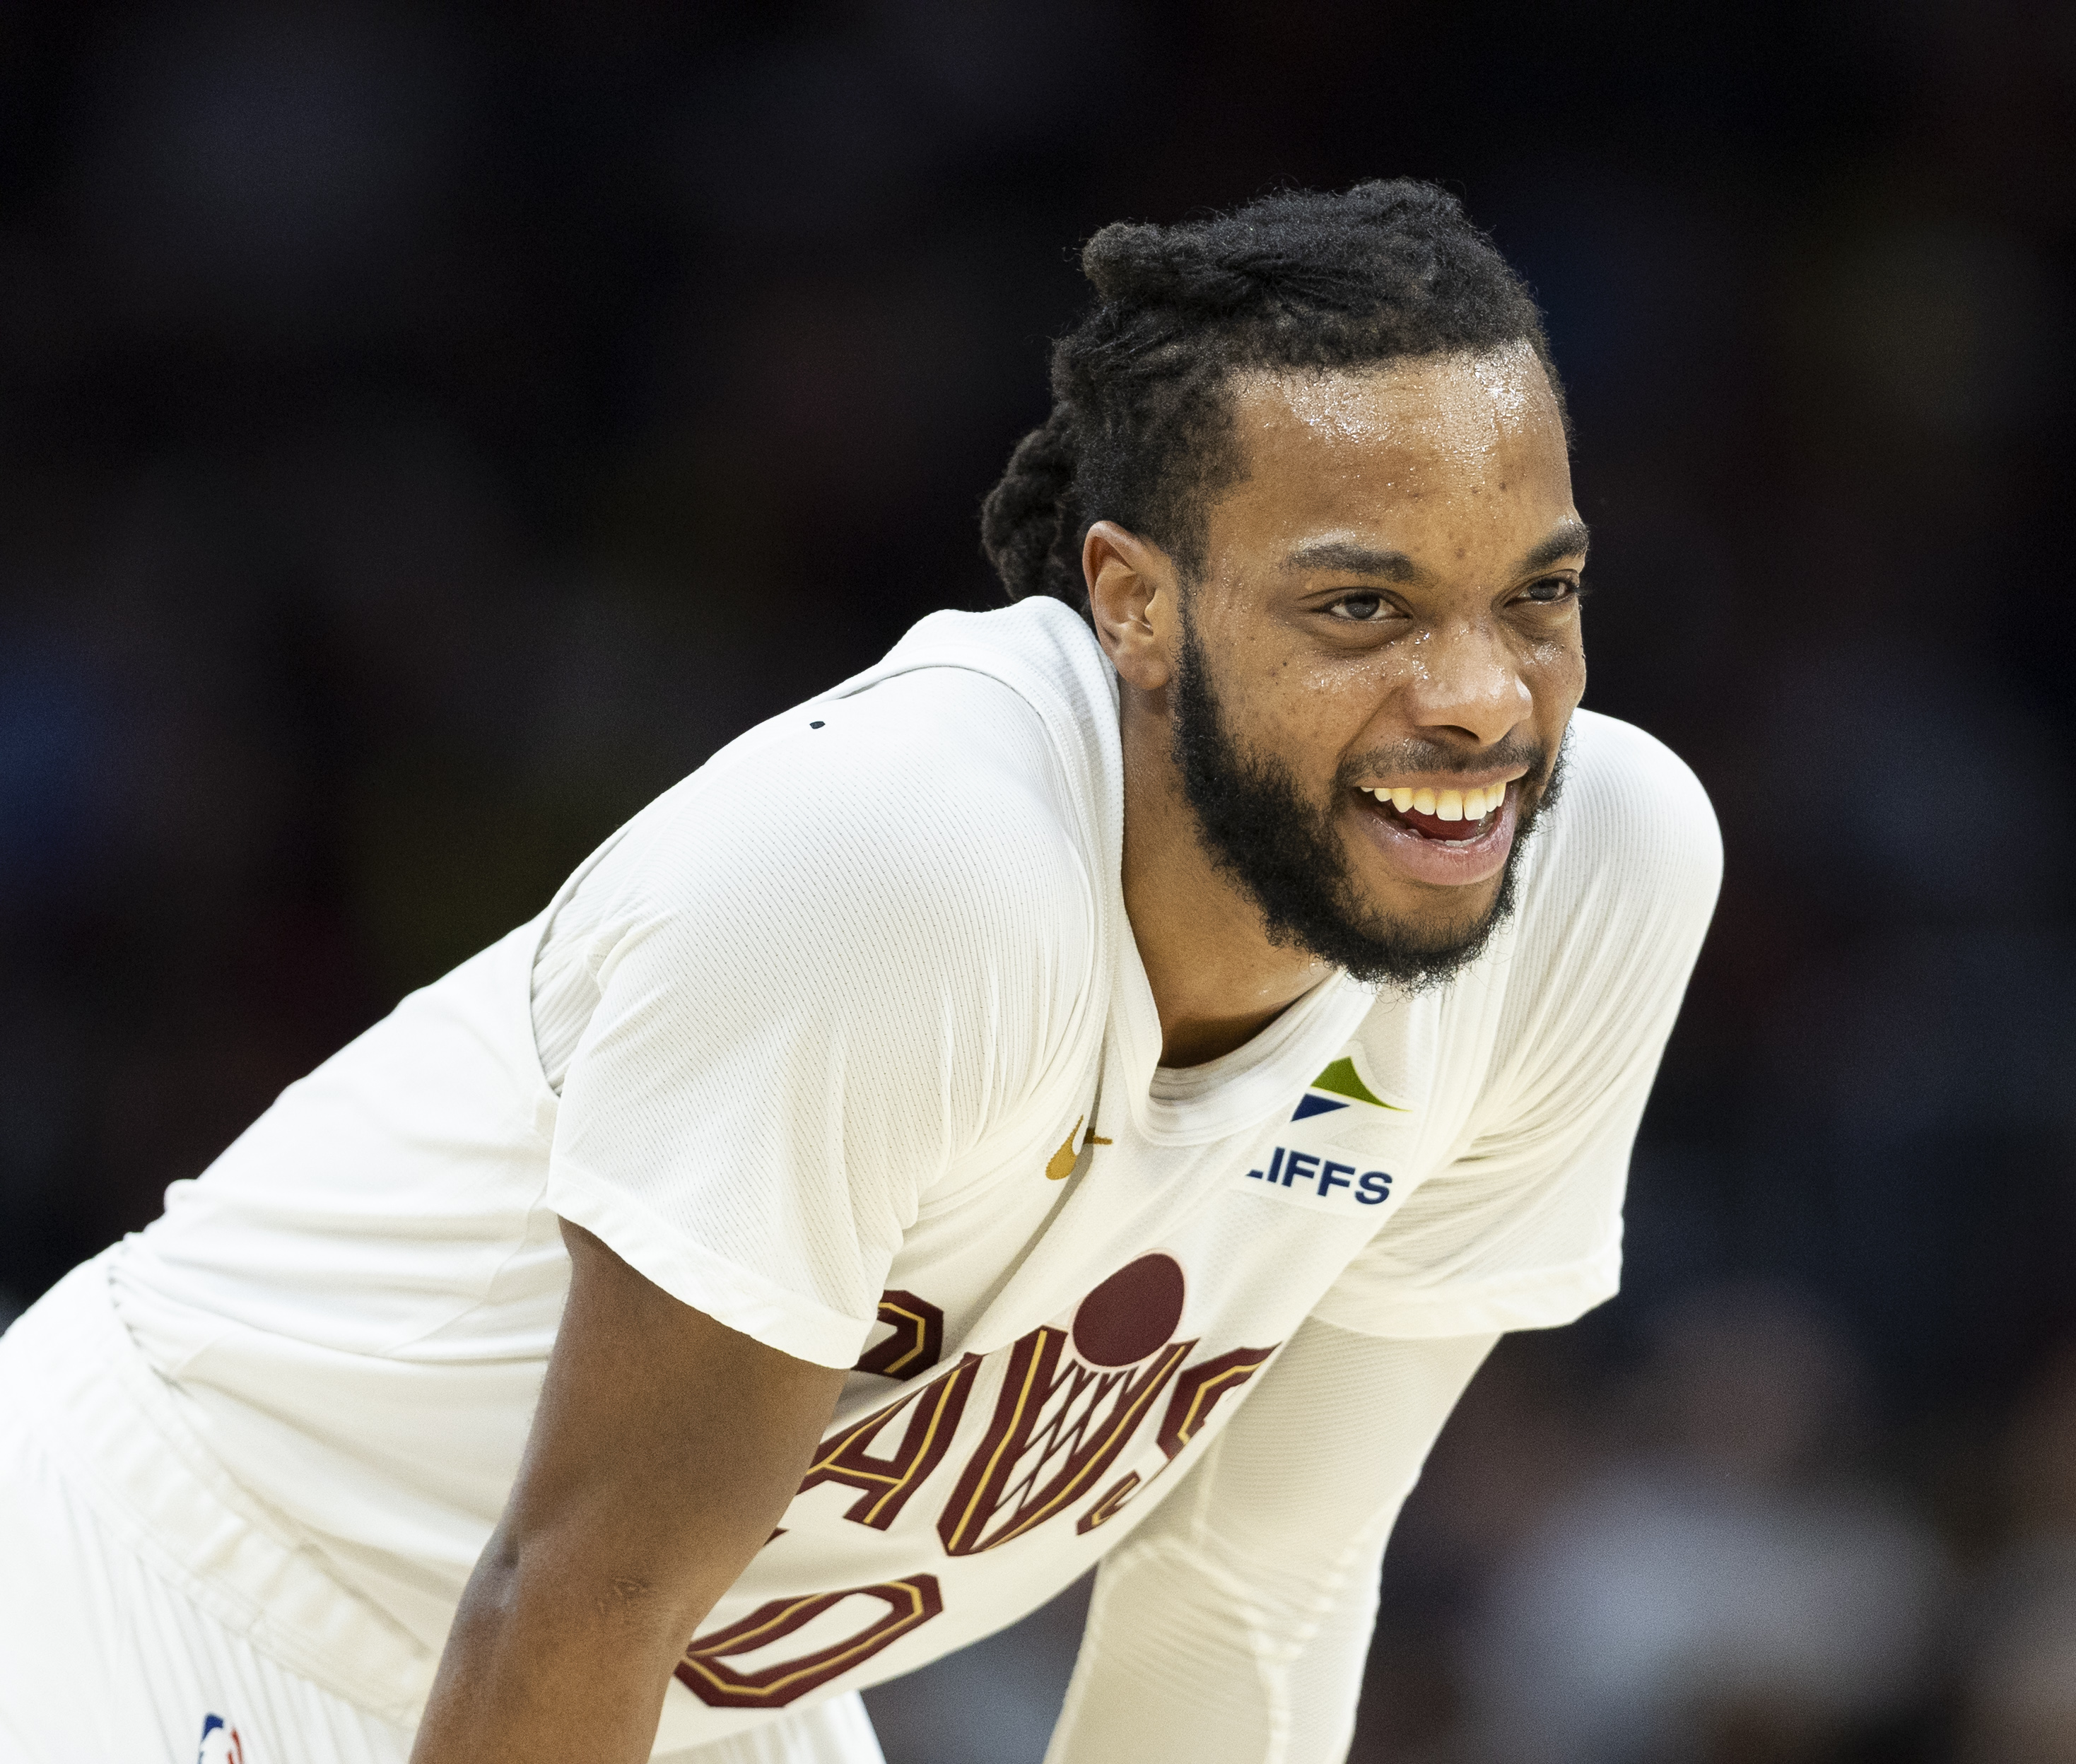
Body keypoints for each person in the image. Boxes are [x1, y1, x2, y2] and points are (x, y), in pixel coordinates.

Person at [0, 180, 1721, 1763]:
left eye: (1538, 596)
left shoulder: (1593, 879)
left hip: (691, 1685)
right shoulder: (904, 869)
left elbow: (1253, 1591)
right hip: (203, 1574)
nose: (1483, 697)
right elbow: (569, 1592)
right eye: (1363, 609)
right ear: (1135, 604)